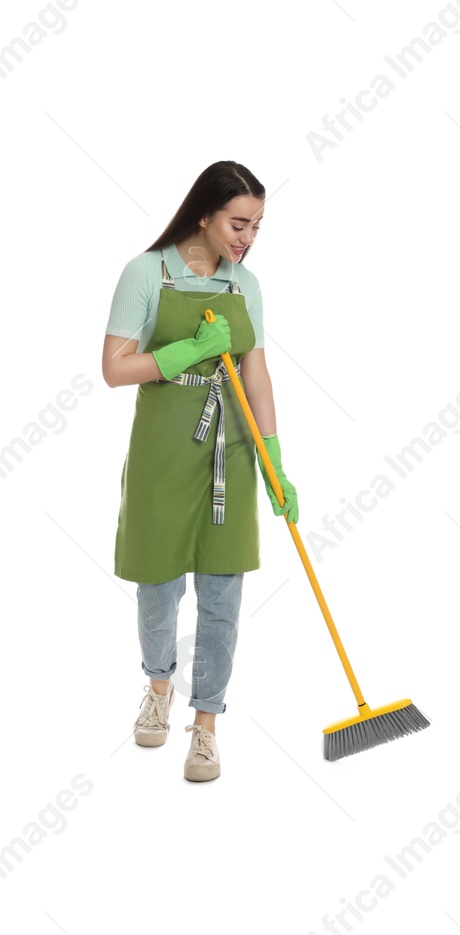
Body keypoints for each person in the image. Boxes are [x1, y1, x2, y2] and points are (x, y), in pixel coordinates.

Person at [103, 161, 297, 783]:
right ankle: (158, 687)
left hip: (230, 448)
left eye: (257, 226)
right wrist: (185, 352)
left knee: (222, 594)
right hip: (163, 450)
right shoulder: (145, 272)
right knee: (158, 586)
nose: (247, 237)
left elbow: (256, 374)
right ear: (205, 215)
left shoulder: (247, 286)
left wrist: (273, 458)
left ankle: (206, 723)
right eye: (239, 223)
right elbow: (113, 368)